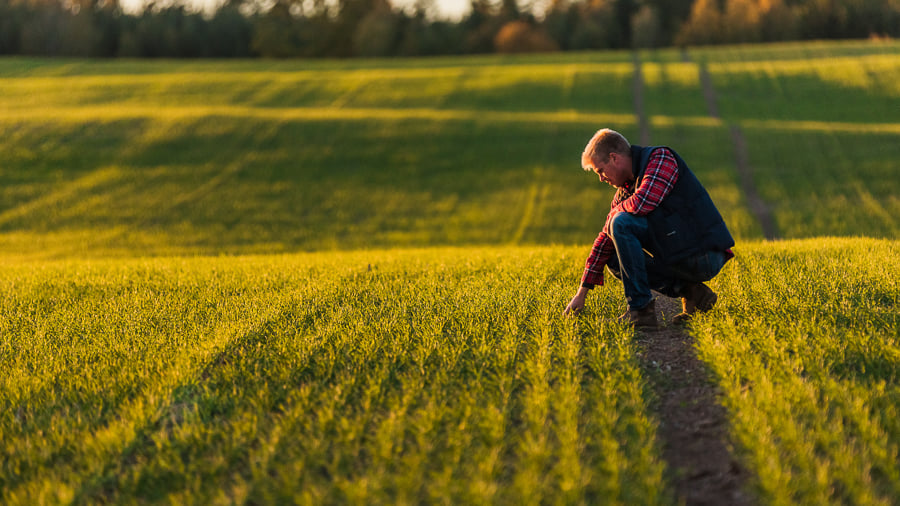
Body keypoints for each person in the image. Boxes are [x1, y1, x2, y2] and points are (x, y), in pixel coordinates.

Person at [563, 128, 734, 327]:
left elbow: (644, 202)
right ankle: (694, 293)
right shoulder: (624, 192)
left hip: (703, 255)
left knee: (620, 222)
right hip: (677, 253)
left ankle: (640, 310)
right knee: (612, 254)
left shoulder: (661, 159)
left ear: (614, 158)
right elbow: (604, 240)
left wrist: (614, 215)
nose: (601, 178)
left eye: (600, 171)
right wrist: (581, 293)